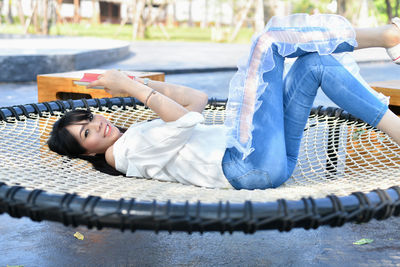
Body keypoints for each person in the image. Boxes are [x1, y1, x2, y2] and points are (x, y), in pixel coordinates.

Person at [48, 14, 400, 190]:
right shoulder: (121, 154)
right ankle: (389, 35)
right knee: (267, 42)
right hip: (245, 164)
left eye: (91, 119)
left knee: (313, 65)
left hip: (266, 160)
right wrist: (134, 89)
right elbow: (186, 122)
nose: (99, 126)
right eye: (88, 134)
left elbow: (196, 101)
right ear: (88, 153)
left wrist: (136, 84)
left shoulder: (134, 138)